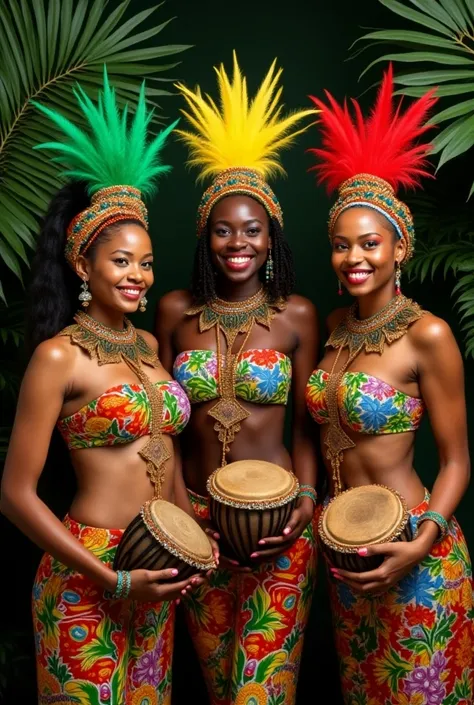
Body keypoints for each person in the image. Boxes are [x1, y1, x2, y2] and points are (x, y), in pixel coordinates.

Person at [0, 70, 212, 705]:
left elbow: (163, 456)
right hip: (87, 575)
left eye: (146, 262)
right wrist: (112, 580)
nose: (139, 275)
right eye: (121, 261)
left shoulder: (147, 347)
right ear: (82, 264)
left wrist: (197, 541)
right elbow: (14, 496)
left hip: (158, 569)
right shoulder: (57, 356)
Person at [306, 65, 473, 704]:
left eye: (370, 243)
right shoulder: (334, 326)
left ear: (400, 248)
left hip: (415, 555)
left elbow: (457, 459)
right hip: (347, 558)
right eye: (342, 246)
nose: (355, 259)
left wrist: (421, 542)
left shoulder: (426, 335)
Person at [156, 52, 319, 705]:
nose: (237, 242)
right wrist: (173, 512)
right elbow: (157, 418)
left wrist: (305, 501)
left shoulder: (296, 316)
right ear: (205, 237)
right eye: (223, 230)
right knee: (221, 688)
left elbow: (309, 423)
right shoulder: (172, 311)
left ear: (271, 237)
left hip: (281, 526)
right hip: (195, 524)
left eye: (251, 229)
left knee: (263, 692)